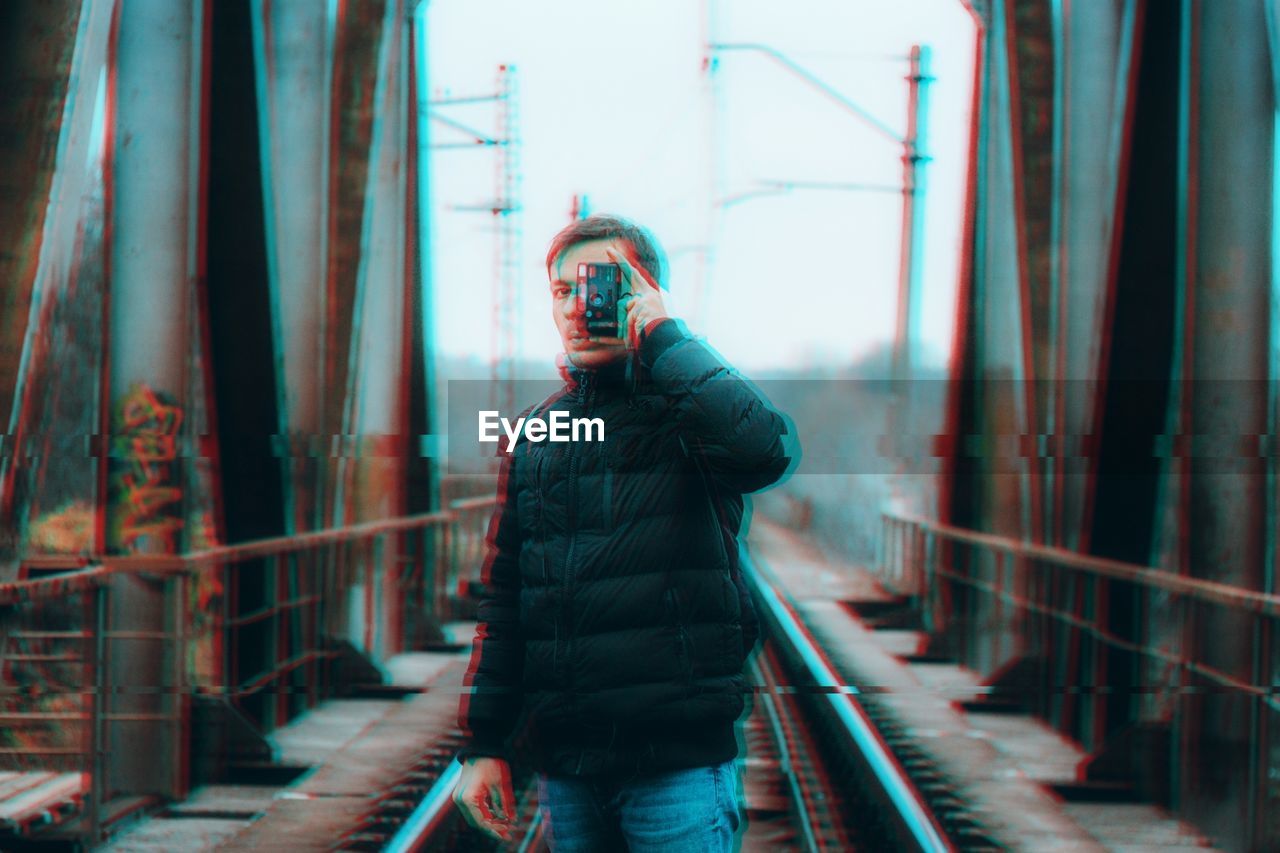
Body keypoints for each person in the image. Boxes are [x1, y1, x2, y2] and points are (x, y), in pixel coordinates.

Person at [452, 214, 796, 851]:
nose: (580, 306)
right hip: (570, 767)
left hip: (676, 767)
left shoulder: (688, 414)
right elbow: (506, 602)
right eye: (562, 291)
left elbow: (762, 450)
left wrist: (664, 336)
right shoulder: (540, 432)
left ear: (643, 292)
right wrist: (485, 744)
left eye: (600, 284)